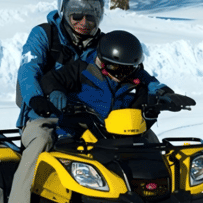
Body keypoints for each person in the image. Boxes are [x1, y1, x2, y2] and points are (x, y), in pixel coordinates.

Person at [6, 0, 106, 203]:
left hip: (88, 117)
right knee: (40, 142)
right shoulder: (44, 35)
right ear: (63, 9)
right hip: (44, 115)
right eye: (77, 13)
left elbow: (128, 72)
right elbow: (28, 69)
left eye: (93, 13)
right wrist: (36, 97)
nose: (85, 21)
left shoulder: (103, 45)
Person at [40, 30, 193, 139]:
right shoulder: (82, 68)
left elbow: (153, 85)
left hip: (121, 132)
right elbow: (51, 79)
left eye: (127, 69)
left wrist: (167, 95)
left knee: (152, 146)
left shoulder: (134, 75)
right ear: (101, 60)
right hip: (80, 129)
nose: (121, 75)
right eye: (115, 68)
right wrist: (55, 92)